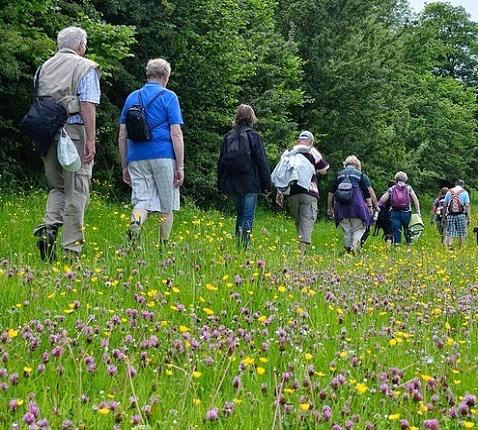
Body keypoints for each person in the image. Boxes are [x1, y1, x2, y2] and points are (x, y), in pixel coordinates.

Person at [33, 26, 100, 261]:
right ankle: (72, 251)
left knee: (57, 187)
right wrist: (90, 139)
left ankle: (48, 229)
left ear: (58, 45)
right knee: (78, 190)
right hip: (73, 133)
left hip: (45, 133)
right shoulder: (85, 67)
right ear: (81, 46)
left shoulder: (44, 68)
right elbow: (87, 105)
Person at [118, 58, 184, 247]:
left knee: (142, 200)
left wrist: (124, 165)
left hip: (136, 156)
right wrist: (180, 166)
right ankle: (164, 245)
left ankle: (135, 227)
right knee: (167, 203)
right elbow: (176, 133)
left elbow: (122, 134)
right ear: (165, 76)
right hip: (163, 155)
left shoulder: (132, 97)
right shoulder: (169, 96)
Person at [217, 104, 271, 249]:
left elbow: (221, 162)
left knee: (240, 214)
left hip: (233, 182)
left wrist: (221, 186)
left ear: (237, 117)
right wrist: (267, 185)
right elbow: (262, 162)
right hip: (250, 182)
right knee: (248, 215)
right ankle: (245, 246)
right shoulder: (254, 136)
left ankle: (238, 244)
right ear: (252, 117)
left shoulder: (228, 136)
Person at [273, 131, 329, 256]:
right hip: (309, 192)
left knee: (299, 220)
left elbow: (281, 173)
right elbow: (324, 169)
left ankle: (301, 248)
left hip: (292, 192)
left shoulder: (289, 152)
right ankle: (301, 255)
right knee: (307, 220)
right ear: (311, 141)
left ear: (298, 140)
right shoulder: (312, 151)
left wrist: (279, 192)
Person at [327, 155, 372, 254]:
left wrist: (329, 208)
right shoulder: (359, 175)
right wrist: (370, 207)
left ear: (345, 164)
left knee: (347, 230)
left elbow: (331, 193)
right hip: (357, 207)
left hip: (341, 208)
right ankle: (353, 248)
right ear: (357, 165)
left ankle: (348, 250)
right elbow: (367, 193)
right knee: (358, 228)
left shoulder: (339, 175)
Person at [378, 171, 420, 246]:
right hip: (406, 212)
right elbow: (415, 199)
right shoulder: (408, 188)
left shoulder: (392, 188)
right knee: (408, 230)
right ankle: (408, 247)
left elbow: (382, 200)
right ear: (405, 179)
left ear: (396, 179)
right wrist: (418, 211)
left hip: (394, 213)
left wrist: (377, 206)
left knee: (396, 231)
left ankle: (397, 247)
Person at [443, 179, 471, 248]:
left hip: (450, 215)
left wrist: (443, 217)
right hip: (461, 215)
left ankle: (449, 246)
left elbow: (445, 205)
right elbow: (467, 206)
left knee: (450, 232)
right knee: (462, 233)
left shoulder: (449, 192)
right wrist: (469, 217)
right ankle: (461, 248)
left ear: (456, 184)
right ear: (463, 185)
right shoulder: (464, 192)